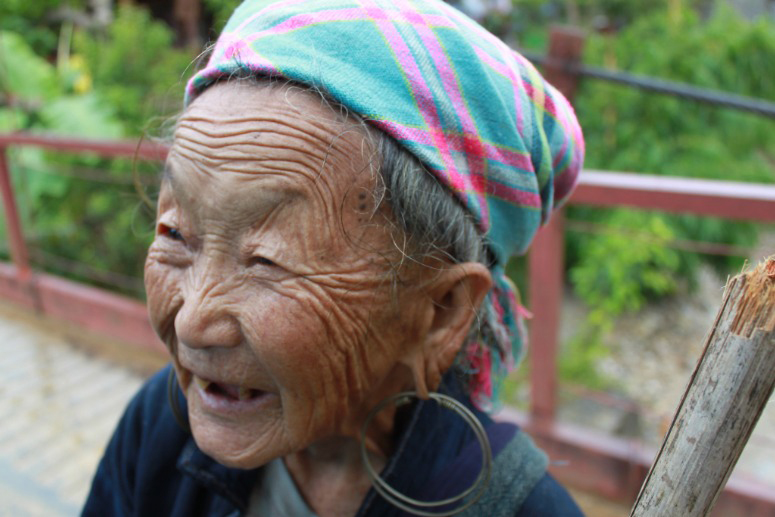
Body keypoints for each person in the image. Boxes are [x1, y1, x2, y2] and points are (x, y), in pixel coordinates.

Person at [83, 0, 585, 515]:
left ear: (441, 311)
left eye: (266, 261)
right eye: (175, 233)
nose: (191, 324)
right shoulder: (160, 425)